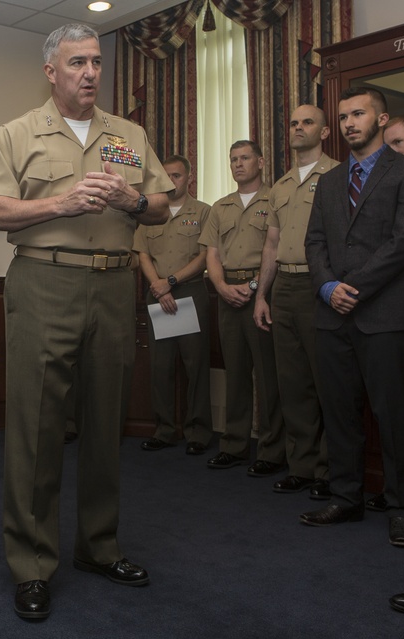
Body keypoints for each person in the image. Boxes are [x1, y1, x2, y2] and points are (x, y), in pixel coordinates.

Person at [0, 23, 172, 621]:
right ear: (51, 71)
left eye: (96, 62)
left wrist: (129, 201)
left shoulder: (128, 135)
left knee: (107, 422)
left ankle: (99, 546)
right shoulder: (18, 132)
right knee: (37, 426)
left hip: (114, 284)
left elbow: (160, 204)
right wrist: (61, 202)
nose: (89, 72)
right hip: (43, 280)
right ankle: (32, 564)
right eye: (77, 63)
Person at [300, 88, 404, 552]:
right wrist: (328, 287)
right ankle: (346, 497)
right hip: (332, 316)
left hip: (385, 315)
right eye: (343, 116)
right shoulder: (328, 182)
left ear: (381, 119)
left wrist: (355, 287)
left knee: (394, 417)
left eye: (358, 114)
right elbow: (314, 243)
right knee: (339, 413)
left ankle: (403, 507)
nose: (349, 122)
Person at [252, 106, 338, 500]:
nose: (298, 128)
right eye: (293, 123)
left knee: (328, 384)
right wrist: (262, 295)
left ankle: (332, 472)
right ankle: (302, 467)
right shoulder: (280, 186)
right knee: (293, 384)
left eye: (308, 122)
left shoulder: (338, 174)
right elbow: (271, 243)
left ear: (324, 131)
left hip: (319, 288)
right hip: (283, 287)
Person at [200, 141, 286, 476]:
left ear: (261, 162)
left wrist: (254, 289)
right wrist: (221, 287)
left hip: (261, 292)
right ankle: (234, 445)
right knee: (234, 373)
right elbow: (212, 253)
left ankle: (270, 450)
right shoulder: (221, 206)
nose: (238, 164)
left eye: (245, 158)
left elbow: (276, 248)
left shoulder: (274, 199)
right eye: (233, 159)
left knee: (267, 376)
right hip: (226, 295)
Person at [134, 155, 213, 456]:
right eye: (166, 176)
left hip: (189, 293)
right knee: (161, 366)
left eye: (177, 176)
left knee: (195, 366)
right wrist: (158, 285)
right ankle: (165, 430)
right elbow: (142, 254)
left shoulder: (204, 212)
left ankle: (198, 432)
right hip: (158, 295)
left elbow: (206, 256)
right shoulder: (151, 213)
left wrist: (171, 281)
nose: (171, 181)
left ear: (189, 178)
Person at [367, 113, 404, 515]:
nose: (391, 153)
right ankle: (400, 493)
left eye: (398, 143)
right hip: (395, 313)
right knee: (396, 410)